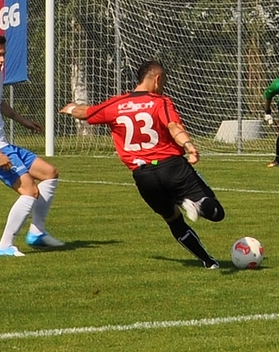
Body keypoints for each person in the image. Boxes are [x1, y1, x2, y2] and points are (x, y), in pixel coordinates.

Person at [59, 60, 224, 269]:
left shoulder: (116, 104)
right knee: (216, 212)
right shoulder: (160, 102)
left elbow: (85, 113)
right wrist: (189, 145)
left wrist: (71, 108)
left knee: (173, 220)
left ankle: (208, 262)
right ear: (157, 78)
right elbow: (173, 126)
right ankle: (195, 204)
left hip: (143, 176)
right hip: (172, 166)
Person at [0, 32, 64, 257]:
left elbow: (0, 104)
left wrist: (24, 121)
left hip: (4, 145)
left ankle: (37, 233)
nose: (1, 60)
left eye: (3, 55)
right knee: (30, 191)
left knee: (50, 173)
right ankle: (5, 245)